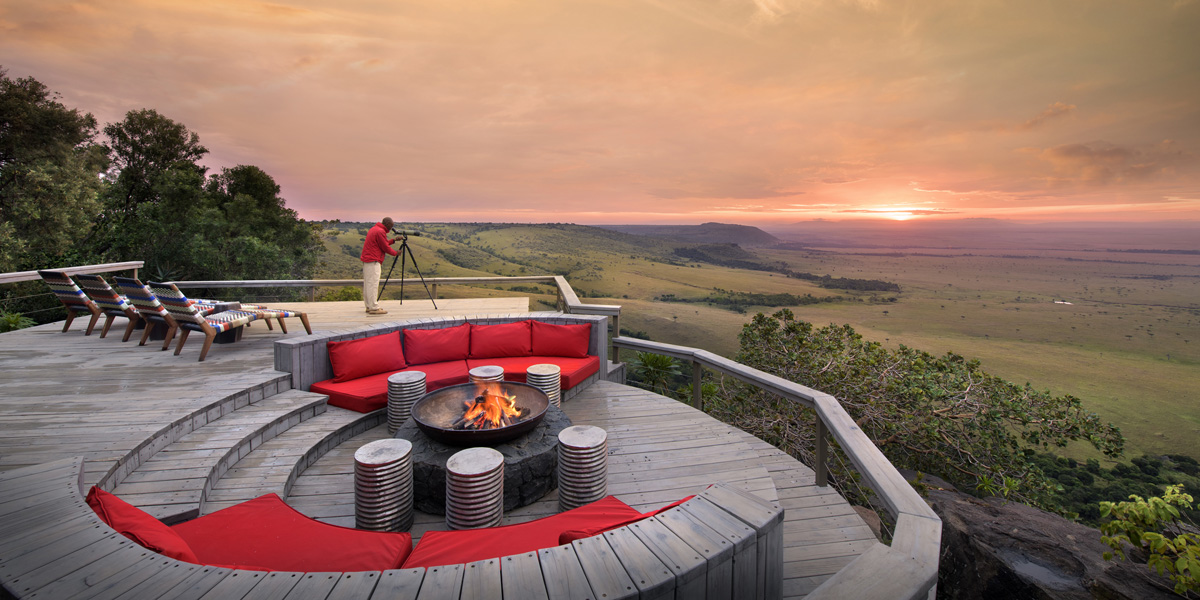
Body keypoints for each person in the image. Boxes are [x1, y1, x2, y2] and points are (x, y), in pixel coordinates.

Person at [360, 217, 399, 314]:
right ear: (387, 224)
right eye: (391, 226)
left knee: (368, 284)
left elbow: (382, 243)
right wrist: (395, 253)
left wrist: (393, 240)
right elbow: (385, 247)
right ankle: (374, 307)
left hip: (368, 259)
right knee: (373, 284)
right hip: (373, 260)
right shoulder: (380, 231)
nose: (391, 228)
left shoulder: (375, 229)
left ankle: (369, 306)